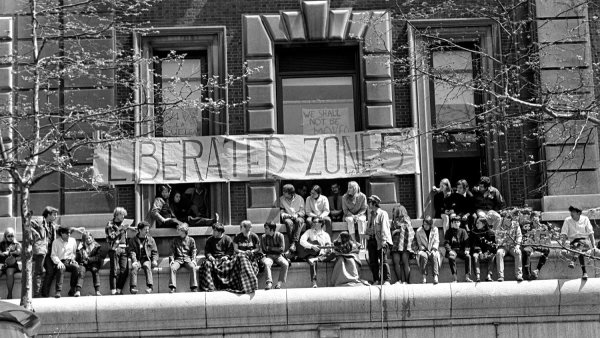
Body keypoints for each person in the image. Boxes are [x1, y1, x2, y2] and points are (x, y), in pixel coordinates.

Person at [33, 206, 85, 298]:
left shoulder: (52, 225)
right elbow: (29, 225)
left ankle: (45, 293)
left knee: (50, 271)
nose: (56, 216)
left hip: (49, 252)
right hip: (41, 251)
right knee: (39, 272)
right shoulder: (40, 221)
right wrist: (36, 237)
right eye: (54, 214)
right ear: (48, 214)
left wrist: (76, 229)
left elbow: (63, 229)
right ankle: (37, 294)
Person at [198, 223, 258, 293]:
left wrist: (226, 256)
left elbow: (230, 250)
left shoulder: (227, 239)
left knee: (228, 265)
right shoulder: (209, 240)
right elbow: (207, 251)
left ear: (220, 232)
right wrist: (210, 256)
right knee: (206, 264)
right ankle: (210, 287)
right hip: (213, 259)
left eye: (215, 231)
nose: (213, 232)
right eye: (213, 230)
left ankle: (230, 285)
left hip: (224, 259)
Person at [560, 205, 598, 280]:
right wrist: (562, 246)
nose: (571, 213)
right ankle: (584, 272)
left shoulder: (585, 219)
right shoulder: (567, 220)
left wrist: (594, 246)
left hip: (585, 242)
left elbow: (591, 233)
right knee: (579, 248)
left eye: (573, 212)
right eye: (571, 211)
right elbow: (564, 234)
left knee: (581, 244)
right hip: (574, 243)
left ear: (579, 213)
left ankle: (576, 264)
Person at [106, 206, 134, 295]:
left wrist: (132, 228)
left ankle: (119, 289)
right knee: (113, 270)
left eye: (124, 215)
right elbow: (111, 237)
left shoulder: (123, 224)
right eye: (122, 215)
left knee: (125, 271)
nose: (123, 217)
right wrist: (122, 229)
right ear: (117, 214)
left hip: (124, 248)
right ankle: (113, 290)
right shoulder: (110, 224)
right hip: (115, 249)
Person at [47, 226, 82, 298]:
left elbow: (74, 252)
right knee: (61, 269)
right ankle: (58, 291)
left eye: (69, 233)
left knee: (76, 268)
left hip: (69, 261)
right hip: (60, 261)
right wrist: (58, 262)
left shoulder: (73, 241)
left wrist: (73, 259)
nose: (68, 235)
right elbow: (53, 255)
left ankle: (73, 289)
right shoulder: (56, 242)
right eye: (66, 233)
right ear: (61, 233)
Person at [365, 195, 392, 286]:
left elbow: (385, 227)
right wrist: (366, 235)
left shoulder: (382, 213)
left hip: (380, 240)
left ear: (374, 203)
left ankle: (387, 280)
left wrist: (384, 241)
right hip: (371, 240)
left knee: (383, 261)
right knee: (373, 261)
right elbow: (369, 227)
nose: (368, 204)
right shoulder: (370, 214)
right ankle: (376, 279)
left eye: (370, 202)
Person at [299, 217, 333, 288]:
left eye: (315, 222)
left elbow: (328, 245)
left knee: (331, 254)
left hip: (322, 254)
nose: (313, 223)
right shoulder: (309, 231)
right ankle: (314, 282)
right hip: (312, 254)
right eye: (313, 222)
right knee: (312, 261)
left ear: (321, 223)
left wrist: (328, 248)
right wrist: (311, 246)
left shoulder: (326, 235)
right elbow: (302, 241)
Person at [128, 221, 158, 294]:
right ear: (140, 230)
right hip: (138, 259)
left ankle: (150, 287)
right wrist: (134, 261)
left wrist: (154, 260)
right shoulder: (133, 240)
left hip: (146, 259)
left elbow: (154, 251)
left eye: (148, 229)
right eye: (145, 229)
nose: (147, 231)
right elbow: (132, 251)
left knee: (147, 266)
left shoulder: (151, 239)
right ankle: (132, 288)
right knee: (134, 268)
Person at [169, 223, 198, 293]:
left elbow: (194, 250)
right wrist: (172, 260)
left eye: (179, 230)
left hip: (187, 259)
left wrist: (194, 260)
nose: (177, 231)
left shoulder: (191, 240)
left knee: (192, 267)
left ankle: (193, 287)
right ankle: (172, 287)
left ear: (183, 231)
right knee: (173, 268)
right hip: (178, 259)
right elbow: (172, 252)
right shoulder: (175, 240)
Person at [495, 210, 523, 282]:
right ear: (504, 219)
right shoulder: (499, 226)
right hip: (503, 246)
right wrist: (502, 241)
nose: (509, 221)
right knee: (499, 253)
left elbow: (519, 236)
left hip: (512, 246)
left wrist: (517, 245)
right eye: (507, 219)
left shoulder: (516, 225)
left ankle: (519, 275)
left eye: (510, 219)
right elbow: (497, 238)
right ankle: (500, 276)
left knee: (518, 252)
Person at [444, 214, 472, 282]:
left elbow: (467, 242)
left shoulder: (463, 231)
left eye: (458, 222)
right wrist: (449, 250)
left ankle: (467, 277)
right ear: (452, 223)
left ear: (460, 223)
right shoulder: (448, 232)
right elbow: (446, 243)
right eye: (454, 222)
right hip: (452, 250)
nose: (456, 223)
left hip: (461, 250)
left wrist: (467, 250)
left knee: (468, 256)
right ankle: (455, 278)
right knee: (451, 258)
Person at [390, 203, 414, 284]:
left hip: (404, 244)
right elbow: (391, 232)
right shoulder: (393, 221)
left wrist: (399, 229)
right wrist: (396, 231)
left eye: (394, 211)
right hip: (396, 243)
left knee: (405, 262)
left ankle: (407, 281)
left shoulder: (406, 219)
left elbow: (409, 230)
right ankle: (399, 280)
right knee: (396, 262)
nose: (393, 213)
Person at [522, 211, 550, 280]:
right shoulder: (526, 226)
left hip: (539, 245)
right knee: (526, 251)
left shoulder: (544, 227)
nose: (534, 218)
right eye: (533, 217)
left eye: (536, 216)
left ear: (539, 218)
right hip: (530, 245)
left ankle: (537, 270)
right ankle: (527, 273)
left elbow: (546, 240)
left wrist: (538, 227)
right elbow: (525, 239)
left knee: (547, 250)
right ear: (531, 219)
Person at [261, 222, 289, 290]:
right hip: (269, 256)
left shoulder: (280, 235)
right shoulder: (263, 237)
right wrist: (276, 249)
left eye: (266, 228)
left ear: (272, 229)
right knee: (266, 263)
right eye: (265, 228)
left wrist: (270, 248)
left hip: (278, 256)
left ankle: (279, 284)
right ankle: (269, 283)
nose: (265, 230)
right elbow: (264, 249)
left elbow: (282, 249)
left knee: (285, 264)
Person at [280, 184, 306, 253]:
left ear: (290, 193)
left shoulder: (300, 199)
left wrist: (297, 214)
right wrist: (284, 214)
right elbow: (281, 210)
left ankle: (293, 243)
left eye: (285, 192)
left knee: (299, 221)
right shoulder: (282, 199)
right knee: (288, 222)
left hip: (298, 216)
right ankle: (293, 244)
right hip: (288, 217)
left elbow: (303, 212)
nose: (283, 193)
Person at [76, 232, 103, 296]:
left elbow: (98, 258)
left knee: (95, 271)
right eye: (86, 239)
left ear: (92, 238)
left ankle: (97, 291)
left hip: (93, 263)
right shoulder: (82, 247)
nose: (88, 240)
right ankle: (78, 291)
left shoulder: (97, 246)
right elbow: (78, 258)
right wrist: (79, 249)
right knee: (81, 272)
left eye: (89, 238)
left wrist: (88, 259)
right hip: (84, 264)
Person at [470, 216, 497, 282]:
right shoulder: (474, 232)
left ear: (483, 224)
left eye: (478, 223)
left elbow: (492, 244)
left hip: (487, 252)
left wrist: (487, 252)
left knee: (492, 256)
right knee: (475, 256)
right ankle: (478, 276)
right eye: (476, 223)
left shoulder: (491, 232)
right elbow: (474, 244)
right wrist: (480, 252)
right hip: (477, 251)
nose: (476, 225)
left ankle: (489, 275)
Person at [415, 216, 440, 284]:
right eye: (424, 224)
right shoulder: (418, 231)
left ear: (430, 224)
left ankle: (435, 276)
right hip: (423, 250)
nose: (425, 226)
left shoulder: (435, 229)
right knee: (424, 256)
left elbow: (436, 241)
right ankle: (424, 277)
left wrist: (433, 249)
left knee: (434, 255)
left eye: (427, 224)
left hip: (433, 249)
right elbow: (419, 244)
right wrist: (425, 250)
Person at [342, 181, 368, 246]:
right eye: (348, 187)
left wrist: (358, 215)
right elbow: (345, 210)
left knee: (361, 220)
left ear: (355, 188)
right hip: (348, 214)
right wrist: (353, 216)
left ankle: (362, 242)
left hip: (360, 214)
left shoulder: (362, 196)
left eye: (350, 188)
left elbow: (364, 208)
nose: (348, 189)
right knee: (350, 220)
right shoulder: (344, 197)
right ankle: (354, 241)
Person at [0, 228, 22, 299]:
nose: (10, 237)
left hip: (11, 265)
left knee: (9, 273)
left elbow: (19, 252)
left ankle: (9, 294)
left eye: (12, 236)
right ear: (5, 236)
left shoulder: (17, 244)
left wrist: (9, 253)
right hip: (2, 264)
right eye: (8, 236)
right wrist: (2, 254)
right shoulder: (1, 244)